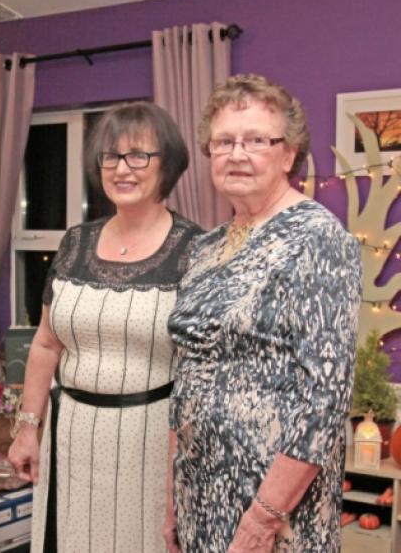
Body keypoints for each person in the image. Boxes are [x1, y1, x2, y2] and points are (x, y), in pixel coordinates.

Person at [164, 74, 362, 552]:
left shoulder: (317, 238)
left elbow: (325, 397)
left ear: (288, 154)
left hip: (274, 506)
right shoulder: (205, 248)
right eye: (224, 141)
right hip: (200, 492)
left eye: (256, 140)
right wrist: (173, 502)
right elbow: (185, 373)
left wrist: (263, 519)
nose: (237, 154)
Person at [8, 102, 203, 552]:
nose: (122, 169)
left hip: (151, 441)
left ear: (168, 164)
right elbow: (46, 343)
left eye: (139, 155)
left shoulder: (196, 249)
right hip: (70, 435)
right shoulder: (75, 242)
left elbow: (202, 371)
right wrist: (27, 427)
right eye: (111, 156)